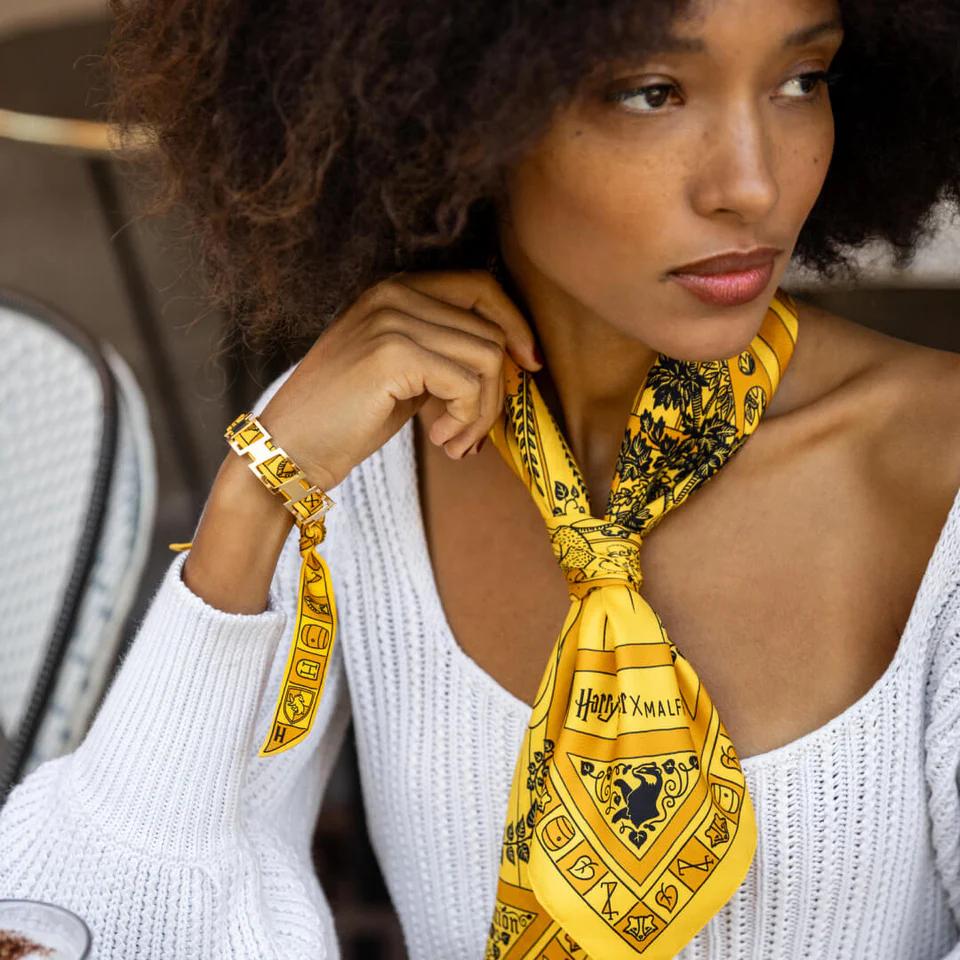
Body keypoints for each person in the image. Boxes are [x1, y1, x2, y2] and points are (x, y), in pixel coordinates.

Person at [2, 0, 960, 956]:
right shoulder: (352, 449)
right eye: (651, 93)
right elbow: (81, 920)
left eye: (801, 80)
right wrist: (255, 497)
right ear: (461, 111)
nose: (753, 185)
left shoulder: (937, 468)